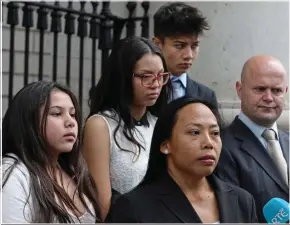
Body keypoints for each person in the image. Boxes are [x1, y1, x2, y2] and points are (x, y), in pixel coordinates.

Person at [106, 97, 258, 223]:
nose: (208, 143)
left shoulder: (242, 201)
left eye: (215, 133)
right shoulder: (135, 207)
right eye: (194, 132)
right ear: (166, 145)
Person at [83, 36, 171, 220]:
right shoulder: (101, 125)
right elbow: (102, 206)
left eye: (161, 76)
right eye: (146, 76)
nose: (155, 85)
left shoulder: (159, 123)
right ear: (122, 77)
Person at [2, 81, 101, 223]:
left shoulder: (73, 170)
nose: (71, 122)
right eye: (56, 113)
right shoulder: (14, 174)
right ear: (29, 121)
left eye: (73, 114)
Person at [215, 55, 289, 222]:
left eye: (276, 90)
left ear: (285, 91)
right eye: (260, 89)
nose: (269, 98)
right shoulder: (221, 148)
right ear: (240, 90)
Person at [153, 2, 218, 107]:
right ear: (157, 44)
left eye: (194, 46)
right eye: (179, 46)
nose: (189, 55)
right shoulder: (144, 92)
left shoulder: (206, 96)